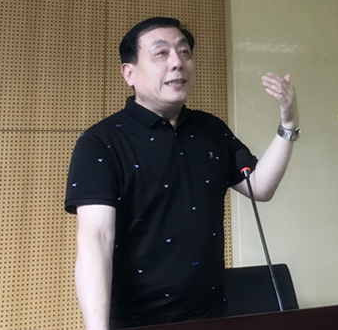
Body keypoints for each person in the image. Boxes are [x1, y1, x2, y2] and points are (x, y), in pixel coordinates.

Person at [64, 17, 299, 329]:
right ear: (129, 73)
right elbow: (96, 239)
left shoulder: (211, 129)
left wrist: (288, 123)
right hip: (136, 322)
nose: (177, 62)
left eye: (185, 52)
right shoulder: (100, 142)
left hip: (213, 314)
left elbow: (260, 187)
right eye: (161, 53)